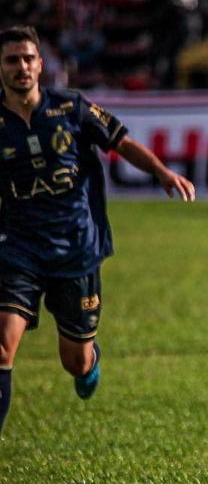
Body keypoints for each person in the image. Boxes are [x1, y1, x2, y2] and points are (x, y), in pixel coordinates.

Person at [0, 25, 195, 434]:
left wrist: (160, 172)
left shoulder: (70, 108)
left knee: (75, 360)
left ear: (40, 63)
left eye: (28, 58)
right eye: (12, 59)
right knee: (3, 345)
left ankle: (90, 361)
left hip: (76, 248)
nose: (22, 67)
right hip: (17, 248)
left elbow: (121, 142)